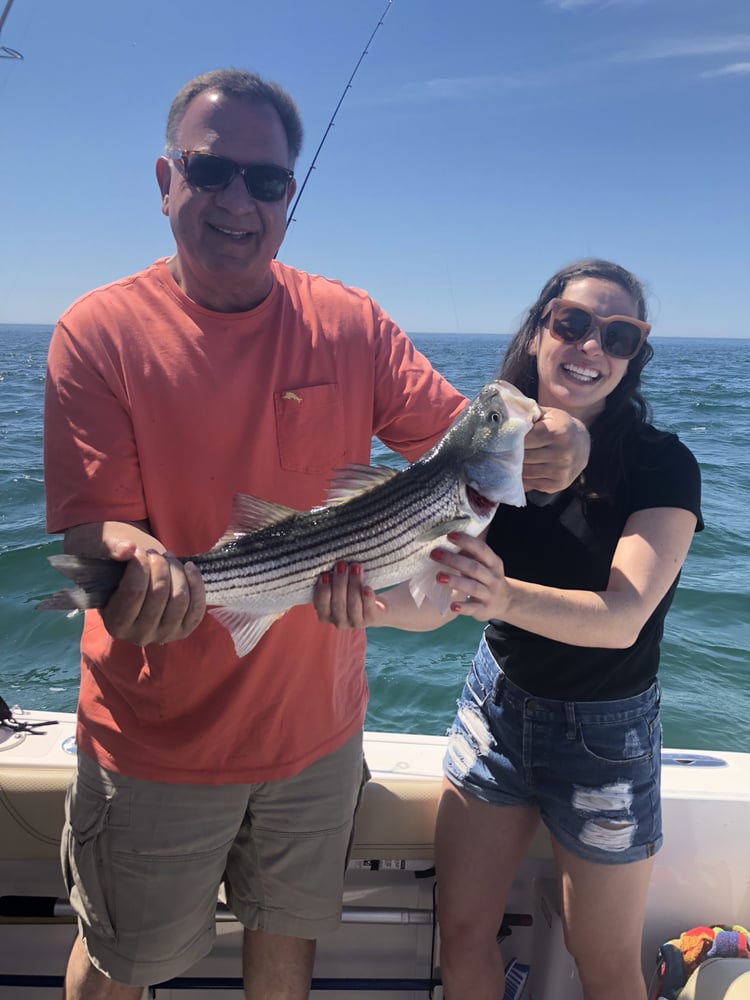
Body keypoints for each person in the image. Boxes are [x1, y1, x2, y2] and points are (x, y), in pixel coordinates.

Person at [43, 69, 590, 1000]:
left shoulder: (350, 323)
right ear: (165, 178)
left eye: (266, 182)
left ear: (289, 195)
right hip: (157, 736)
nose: (237, 201)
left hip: (318, 734)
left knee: (288, 947)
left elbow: (455, 439)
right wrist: (139, 571)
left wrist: (561, 438)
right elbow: (101, 523)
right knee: (118, 964)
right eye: (210, 171)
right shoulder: (97, 333)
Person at [314, 259, 703, 1000]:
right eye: (574, 323)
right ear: (538, 331)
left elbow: (623, 620)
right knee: (461, 930)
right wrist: (360, 601)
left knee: (606, 961)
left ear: (633, 356)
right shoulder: (490, 454)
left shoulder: (663, 465)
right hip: (497, 708)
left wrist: (501, 596)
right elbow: (434, 601)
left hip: (606, 737)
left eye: (618, 335)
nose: (592, 346)